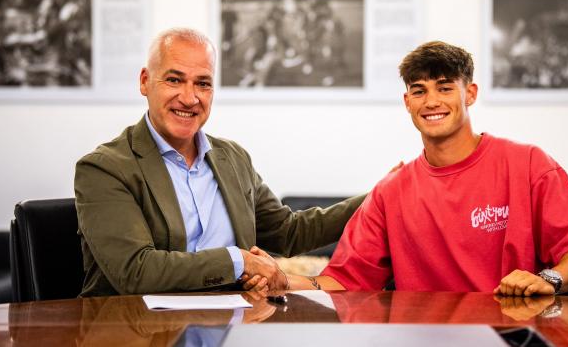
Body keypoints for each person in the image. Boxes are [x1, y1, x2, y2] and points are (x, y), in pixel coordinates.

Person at [245, 40, 568, 296]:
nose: (431, 101)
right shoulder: (391, 190)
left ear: (471, 93)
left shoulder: (528, 163)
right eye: (419, 91)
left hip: (511, 335)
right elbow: (345, 280)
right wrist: (282, 279)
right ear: (407, 102)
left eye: (445, 88)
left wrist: (548, 279)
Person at [74, 27, 365, 296]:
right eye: (174, 80)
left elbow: (289, 233)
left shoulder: (233, 159)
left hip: (229, 324)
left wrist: (381, 196)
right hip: (136, 330)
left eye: (203, 84)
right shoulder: (104, 169)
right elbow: (135, 272)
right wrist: (238, 261)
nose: (189, 98)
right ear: (145, 82)